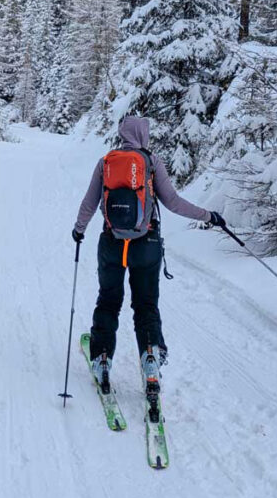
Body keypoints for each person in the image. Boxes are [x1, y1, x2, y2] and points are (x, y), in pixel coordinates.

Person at [72, 115, 225, 402]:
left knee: (108, 301)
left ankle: (102, 359)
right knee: (145, 305)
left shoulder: (106, 162)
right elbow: (174, 203)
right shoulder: (152, 162)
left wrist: (79, 230)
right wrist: (209, 216)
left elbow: (90, 202)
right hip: (146, 244)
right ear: (143, 135)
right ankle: (151, 358)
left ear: (123, 134)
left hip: (112, 243)